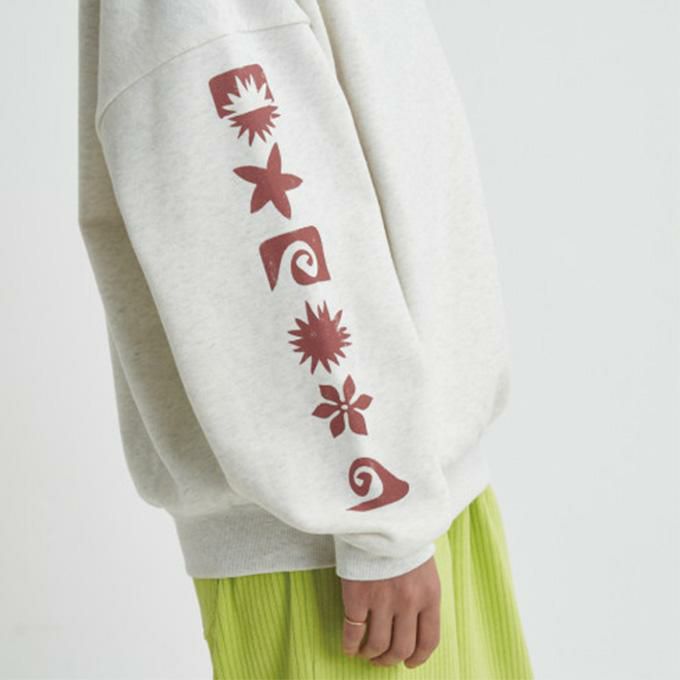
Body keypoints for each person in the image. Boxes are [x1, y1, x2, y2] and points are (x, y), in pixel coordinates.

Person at [78, 0, 532, 677]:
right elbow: (269, 204)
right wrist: (376, 517)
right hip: (337, 551)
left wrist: (397, 511)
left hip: (424, 500)